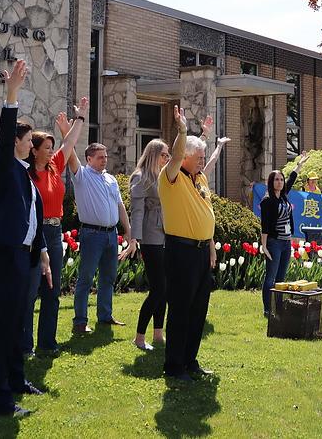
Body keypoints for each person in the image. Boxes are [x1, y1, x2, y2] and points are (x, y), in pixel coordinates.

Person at [0, 58, 51, 417]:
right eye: (27, 139)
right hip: (6, 256)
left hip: (23, 257)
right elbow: (4, 133)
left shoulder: (27, 176)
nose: (31, 143)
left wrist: (39, 254)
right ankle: (0, 400)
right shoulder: (3, 166)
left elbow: (32, 221)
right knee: (4, 327)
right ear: (16, 142)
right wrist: (11, 94)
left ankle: (16, 380)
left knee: (18, 323)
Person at [21, 97, 88, 357]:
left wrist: (81, 117)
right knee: (30, 293)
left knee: (52, 290)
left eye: (52, 147)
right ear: (33, 149)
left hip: (54, 231)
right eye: (46, 147)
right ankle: (25, 346)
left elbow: (69, 143)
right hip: (34, 234)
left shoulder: (54, 167)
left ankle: (47, 344)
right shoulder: (25, 174)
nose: (51, 151)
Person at [159, 106, 217, 382]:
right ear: (185, 157)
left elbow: (206, 213)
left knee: (198, 310)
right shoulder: (170, 177)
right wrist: (183, 131)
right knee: (181, 310)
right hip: (180, 251)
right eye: (199, 157)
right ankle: (174, 366)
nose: (202, 161)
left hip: (201, 251)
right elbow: (179, 154)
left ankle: (190, 360)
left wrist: (211, 245)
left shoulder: (200, 178)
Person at [69, 142, 136, 334]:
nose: (104, 160)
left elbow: (120, 206)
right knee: (86, 279)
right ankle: (80, 322)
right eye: (100, 157)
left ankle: (105, 316)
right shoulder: (82, 176)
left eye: (105, 157)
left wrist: (128, 230)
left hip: (111, 235)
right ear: (89, 159)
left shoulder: (111, 179)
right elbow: (71, 155)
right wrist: (68, 131)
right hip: (91, 235)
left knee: (108, 278)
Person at [129, 139, 170, 351]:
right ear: (153, 154)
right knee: (158, 289)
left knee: (163, 289)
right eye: (164, 155)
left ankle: (158, 334)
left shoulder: (161, 175)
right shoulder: (141, 176)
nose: (167, 158)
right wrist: (134, 239)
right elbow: (136, 211)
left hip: (164, 234)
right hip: (150, 236)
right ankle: (139, 337)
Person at [260, 152, 311, 317]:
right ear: (271, 182)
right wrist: (264, 246)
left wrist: (299, 164)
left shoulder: (283, 197)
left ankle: (278, 307)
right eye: (276, 179)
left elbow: (292, 179)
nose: (280, 182)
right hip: (274, 243)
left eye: (281, 179)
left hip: (285, 243)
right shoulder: (268, 201)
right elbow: (265, 225)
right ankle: (268, 310)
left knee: (281, 279)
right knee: (270, 278)